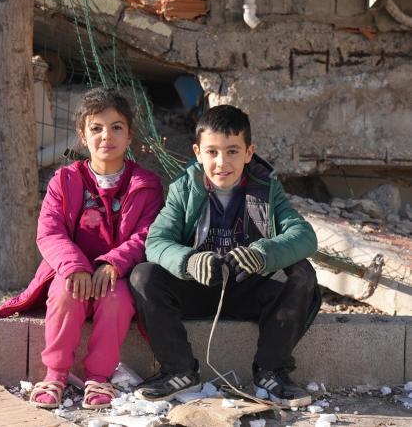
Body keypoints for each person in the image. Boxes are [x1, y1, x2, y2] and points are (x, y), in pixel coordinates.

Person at [130, 105, 321, 407]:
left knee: (300, 272)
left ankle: (272, 372)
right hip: (199, 288)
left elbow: (305, 236)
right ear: (197, 152)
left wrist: (263, 253)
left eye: (233, 151)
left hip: (249, 287)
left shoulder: (266, 188)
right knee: (144, 275)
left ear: (249, 152)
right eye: (212, 152)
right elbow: (156, 242)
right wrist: (189, 261)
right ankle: (178, 370)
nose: (222, 163)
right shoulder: (184, 188)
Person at [0, 87, 163, 409]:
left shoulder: (145, 185)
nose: (106, 136)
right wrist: (75, 266)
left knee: (117, 299)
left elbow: (147, 235)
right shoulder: (65, 180)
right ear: (83, 136)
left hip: (116, 275)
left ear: (129, 136)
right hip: (71, 271)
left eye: (116, 127)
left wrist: (113, 263)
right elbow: (49, 232)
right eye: (96, 128)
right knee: (63, 293)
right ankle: (55, 374)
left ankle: (99, 377)